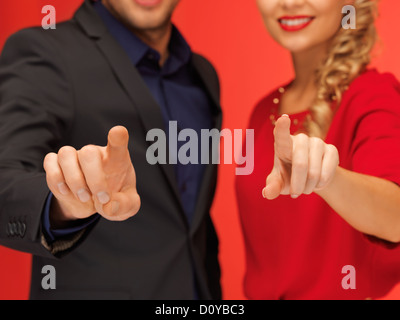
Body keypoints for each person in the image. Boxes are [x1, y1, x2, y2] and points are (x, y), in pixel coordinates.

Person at [0, 0, 222, 299]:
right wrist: (65, 203)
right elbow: (5, 179)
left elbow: (191, 218)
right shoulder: (44, 52)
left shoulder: (201, 74)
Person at [236, 0, 400, 299]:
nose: (288, 3)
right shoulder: (263, 112)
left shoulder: (371, 95)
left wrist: (328, 179)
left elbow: (395, 216)